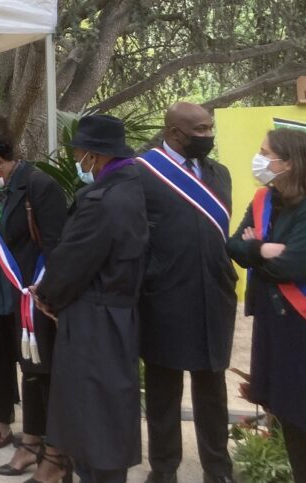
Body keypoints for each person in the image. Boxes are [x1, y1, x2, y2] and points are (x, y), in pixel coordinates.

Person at [34, 114, 149, 483]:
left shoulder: (101, 200)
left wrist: (47, 296)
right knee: (109, 409)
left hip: (94, 318)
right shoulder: (133, 186)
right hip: (119, 313)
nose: (76, 160)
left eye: (78, 153)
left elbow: (72, 261)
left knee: (91, 416)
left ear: (94, 156)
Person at [137, 102, 237, 483]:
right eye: (200, 130)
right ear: (174, 133)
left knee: (212, 387)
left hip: (213, 294)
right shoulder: (142, 173)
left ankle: (218, 468)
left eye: (210, 128)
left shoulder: (219, 173)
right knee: (163, 388)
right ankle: (164, 469)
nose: (208, 136)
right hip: (163, 297)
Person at [0, 130, 68, 477]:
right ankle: (31, 443)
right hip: (2, 297)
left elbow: (56, 248)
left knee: (41, 374)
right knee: (28, 372)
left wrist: (46, 297)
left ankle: (48, 451)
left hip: (33, 300)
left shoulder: (39, 187)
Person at [227, 128, 306, 483]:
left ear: (288, 162)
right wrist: (261, 249)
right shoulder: (263, 199)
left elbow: (293, 265)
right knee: (288, 415)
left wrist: (255, 247)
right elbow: (233, 247)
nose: (258, 159)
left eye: (265, 152)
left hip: (300, 324)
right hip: (273, 326)